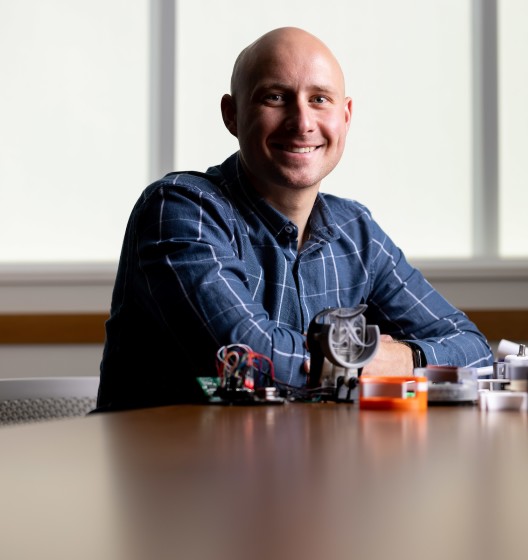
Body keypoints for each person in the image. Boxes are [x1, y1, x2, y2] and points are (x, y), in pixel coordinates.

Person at [97, 27, 493, 410]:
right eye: (275, 97)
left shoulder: (357, 232)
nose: (302, 122)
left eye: (320, 99)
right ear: (231, 115)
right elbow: (250, 362)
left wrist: (407, 359)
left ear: (346, 116)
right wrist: (367, 362)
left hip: (304, 469)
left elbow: (474, 350)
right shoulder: (179, 210)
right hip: (171, 471)